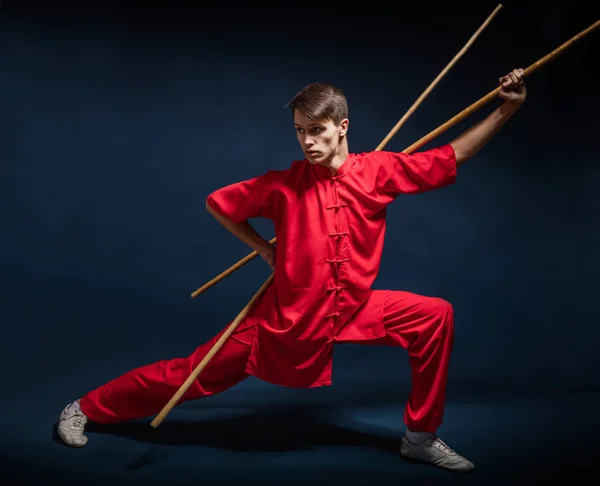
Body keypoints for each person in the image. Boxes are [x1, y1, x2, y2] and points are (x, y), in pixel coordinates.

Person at [58, 68, 526, 472]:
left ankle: (419, 439)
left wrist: (506, 110)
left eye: (317, 130)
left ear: (342, 127)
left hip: (351, 309)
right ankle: (84, 408)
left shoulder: (380, 171)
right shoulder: (284, 186)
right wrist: (264, 249)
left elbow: (452, 157)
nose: (307, 141)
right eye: (300, 130)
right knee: (188, 376)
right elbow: (218, 203)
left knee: (434, 315)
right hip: (283, 324)